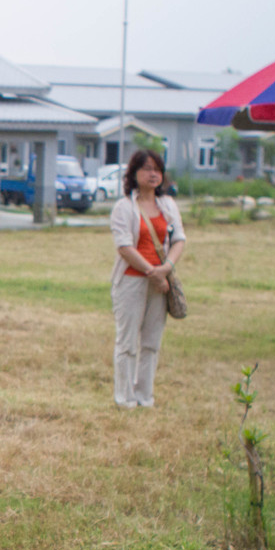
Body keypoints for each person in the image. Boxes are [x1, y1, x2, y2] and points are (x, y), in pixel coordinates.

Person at [109, 148, 186, 408]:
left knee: (151, 342)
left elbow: (178, 240)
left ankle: (144, 395)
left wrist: (167, 267)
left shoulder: (167, 206)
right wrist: (152, 272)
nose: (153, 174)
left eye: (157, 169)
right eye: (147, 168)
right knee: (128, 341)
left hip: (160, 282)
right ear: (134, 173)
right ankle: (125, 398)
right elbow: (124, 247)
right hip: (132, 280)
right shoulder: (124, 207)